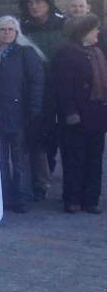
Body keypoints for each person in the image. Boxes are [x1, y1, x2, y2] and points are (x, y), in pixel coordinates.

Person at [0, 16, 44, 213]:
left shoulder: (27, 53)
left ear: (17, 33)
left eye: (11, 29)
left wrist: (34, 109)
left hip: (19, 112)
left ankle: (21, 198)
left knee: (19, 158)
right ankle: (3, 196)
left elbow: (36, 82)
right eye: (2, 29)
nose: (7, 32)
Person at [53, 14, 107, 214]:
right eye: (94, 30)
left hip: (97, 115)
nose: (98, 33)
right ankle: (72, 199)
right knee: (74, 159)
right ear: (83, 32)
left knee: (95, 158)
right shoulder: (67, 54)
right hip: (77, 116)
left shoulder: (98, 52)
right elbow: (63, 87)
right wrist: (70, 112)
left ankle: (91, 199)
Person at [18, 0, 67, 201]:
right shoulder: (22, 28)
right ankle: (40, 181)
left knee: (56, 136)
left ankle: (52, 172)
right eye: (29, 3)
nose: (34, 6)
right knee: (36, 136)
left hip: (60, 87)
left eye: (38, 2)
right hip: (34, 89)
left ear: (48, 3)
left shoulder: (63, 26)